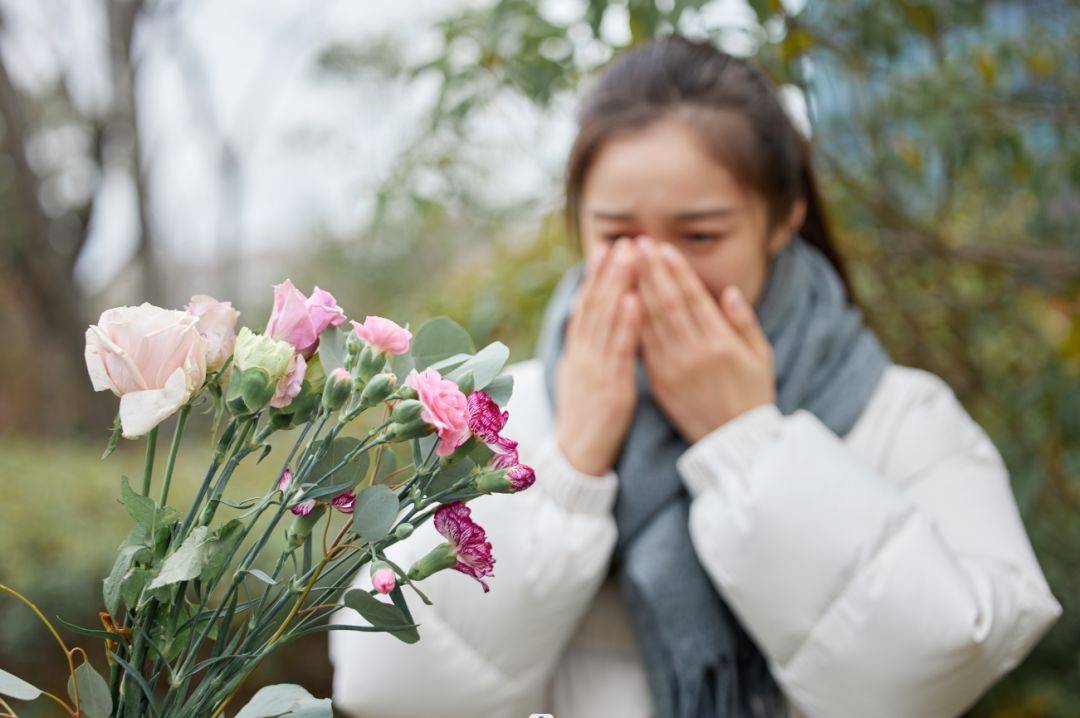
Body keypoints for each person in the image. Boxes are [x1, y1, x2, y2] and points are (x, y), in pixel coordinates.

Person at [328, 35, 1061, 718]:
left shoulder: (899, 411)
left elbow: (945, 663)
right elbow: (386, 684)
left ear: (782, 218)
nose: (655, 267)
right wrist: (569, 466)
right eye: (617, 235)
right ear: (576, 223)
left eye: (701, 235)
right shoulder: (504, 418)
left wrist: (748, 444)